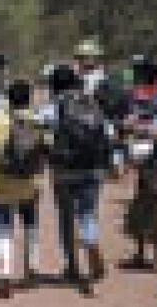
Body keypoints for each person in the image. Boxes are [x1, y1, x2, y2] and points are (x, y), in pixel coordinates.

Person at [43, 63, 114, 293]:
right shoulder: (91, 103)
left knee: (66, 218)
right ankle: (91, 240)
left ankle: (72, 266)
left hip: (65, 170)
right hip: (93, 168)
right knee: (87, 214)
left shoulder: (54, 107)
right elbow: (109, 133)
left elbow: (39, 128)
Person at [0, 79, 48, 297]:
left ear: (9, 99)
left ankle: (4, 274)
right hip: (30, 182)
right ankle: (33, 269)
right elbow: (47, 148)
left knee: (3, 227)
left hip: (2, 182)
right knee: (31, 224)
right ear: (28, 98)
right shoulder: (38, 121)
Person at [121, 55, 157, 269]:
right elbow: (130, 119)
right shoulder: (139, 93)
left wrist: (151, 129)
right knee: (144, 202)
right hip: (146, 156)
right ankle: (141, 252)